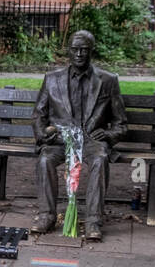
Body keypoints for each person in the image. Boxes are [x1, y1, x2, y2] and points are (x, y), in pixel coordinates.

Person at [31, 29, 128, 240]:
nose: (79, 54)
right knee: (45, 159)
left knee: (101, 160)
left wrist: (109, 135)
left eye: (84, 50)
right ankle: (46, 216)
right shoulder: (52, 79)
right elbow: (39, 115)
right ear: (68, 51)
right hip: (60, 141)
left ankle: (93, 221)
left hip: (92, 141)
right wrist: (42, 135)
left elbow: (121, 123)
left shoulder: (108, 80)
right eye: (75, 49)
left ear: (92, 51)